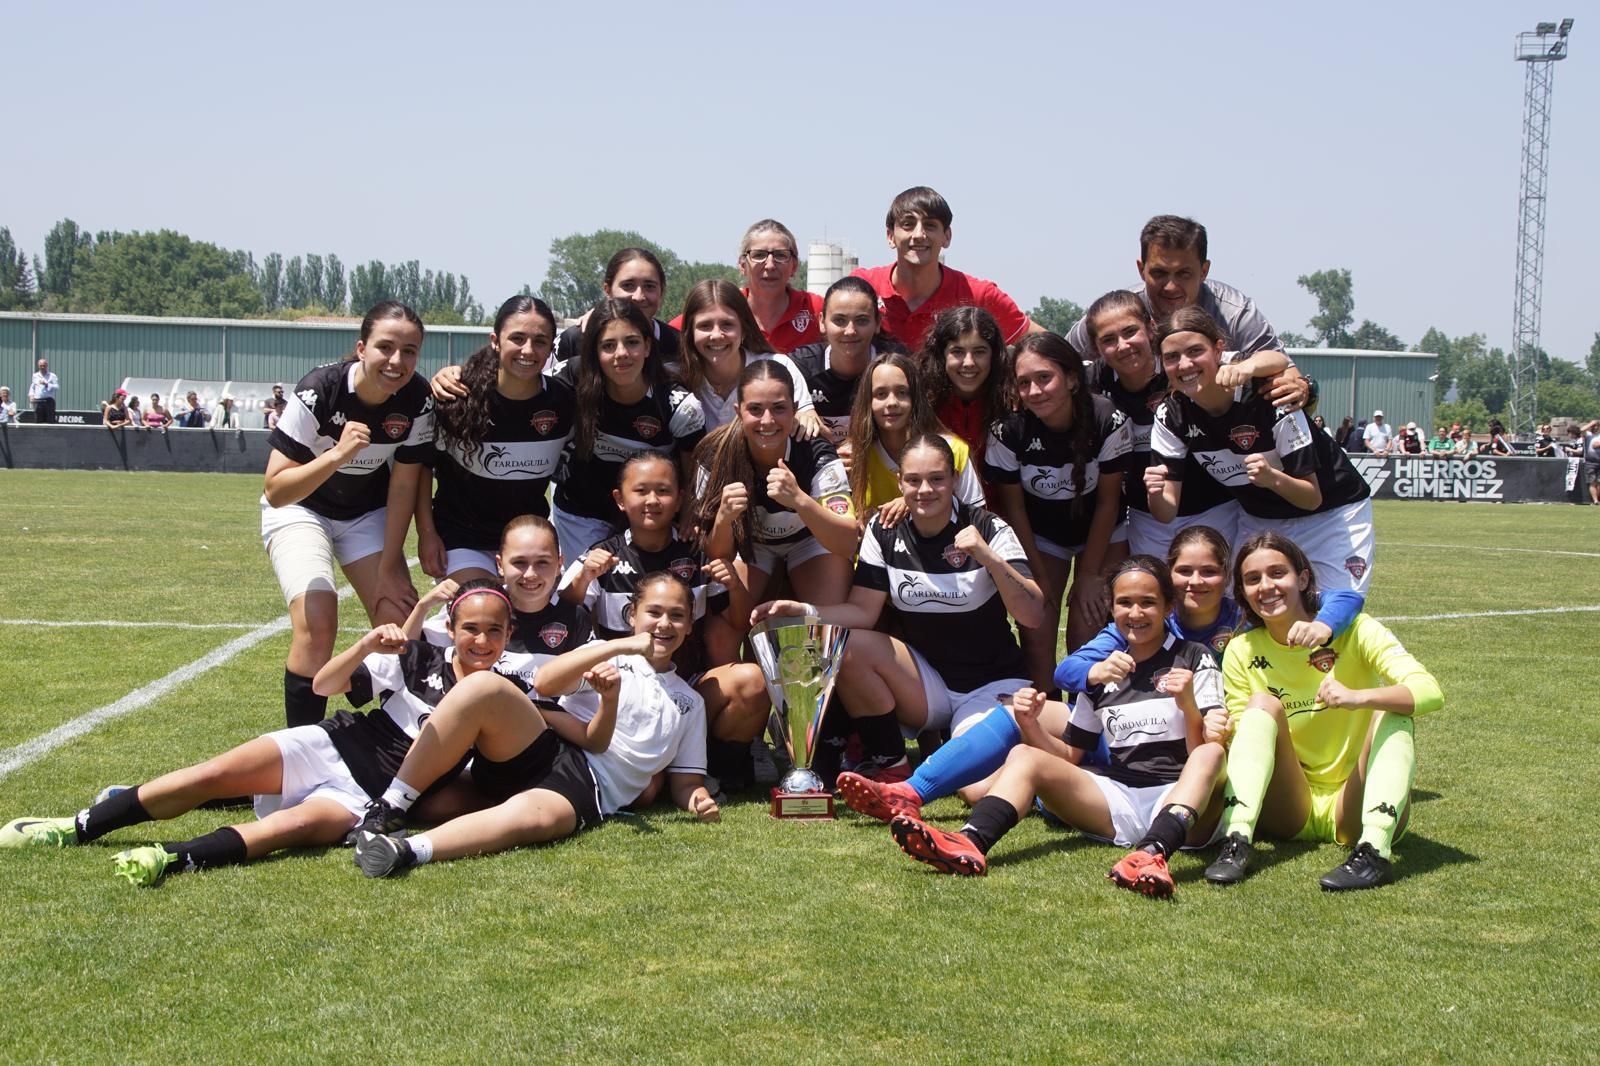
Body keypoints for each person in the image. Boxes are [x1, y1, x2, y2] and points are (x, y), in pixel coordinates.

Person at [0, 580, 514, 886]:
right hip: (331, 745)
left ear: (509, 636)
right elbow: (325, 683)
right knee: (213, 773)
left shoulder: (506, 695)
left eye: (495, 631)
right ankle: (75, 827)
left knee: (283, 833)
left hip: (369, 797)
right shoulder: (418, 657)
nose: (482, 640)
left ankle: (169, 858)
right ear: (451, 628)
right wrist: (365, 646)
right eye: (471, 628)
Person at [838, 526, 1241, 826]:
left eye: (1208, 572)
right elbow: (1066, 671)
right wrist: (1095, 671)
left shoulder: (1240, 622)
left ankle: (1055, 789)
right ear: (1170, 577)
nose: (1195, 582)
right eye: (1185, 571)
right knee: (1009, 728)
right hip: (1117, 730)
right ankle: (910, 792)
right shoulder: (1136, 620)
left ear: (1226, 575)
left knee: (979, 790)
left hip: (1194, 744)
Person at [886, 556, 1228, 897]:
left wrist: (1187, 704)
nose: (1135, 613)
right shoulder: (1103, 672)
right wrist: (1030, 725)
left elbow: (1206, 752)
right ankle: (968, 842)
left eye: (1148, 603)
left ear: (1169, 607)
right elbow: (1069, 755)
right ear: (1111, 607)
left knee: (1212, 752)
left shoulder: (1195, 657)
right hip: (1120, 799)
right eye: (1125, 603)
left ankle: (1152, 854)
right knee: (1023, 753)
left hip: (1183, 803)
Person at [350, 572, 721, 877]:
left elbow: (686, 782)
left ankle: (403, 851)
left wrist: (697, 800)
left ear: (690, 624)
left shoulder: (690, 703)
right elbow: (546, 682)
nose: (663, 624)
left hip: (587, 791)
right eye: (653, 612)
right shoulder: (606, 654)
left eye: (676, 615)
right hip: (549, 749)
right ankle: (387, 809)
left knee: (531, 819)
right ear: (632, 617)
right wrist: (619, 648)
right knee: (483, 686)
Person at [753, 433, 1043, 781]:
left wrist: (989, 558)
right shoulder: (885, 530)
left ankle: (1029, 767)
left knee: (975, 788)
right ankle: (892, 769)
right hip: (927, 685)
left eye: (937, 479)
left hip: (988, 685)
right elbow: (862, 612)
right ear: (899, 481)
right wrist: (805, 611)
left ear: (953, 479)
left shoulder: (987, 527)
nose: (925, 490)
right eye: (914, 480)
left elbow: (1032, 614)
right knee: (850, 645)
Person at [1204, 532, 1444, 891]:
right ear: (1243, 591)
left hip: (1355, 806)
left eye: (1277, 573)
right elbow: (1241, 731)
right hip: (1289, 804)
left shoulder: (1358, 630)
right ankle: (1237, 840)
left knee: (1390, 711)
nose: (1266, 587)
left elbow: (1430, 691)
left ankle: (1374, 852)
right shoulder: (1241, 649)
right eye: (1253, 579)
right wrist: (1218, 728)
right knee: (1261, 705)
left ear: (1302, 579)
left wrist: (1359, 697)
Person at [1147, 306, 1372, 647]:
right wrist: (1153, 492)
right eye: (1172, 357)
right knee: (1249, 612)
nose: (1185, 365)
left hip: (1331, 513)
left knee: (1335, 609)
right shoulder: (1171, 413)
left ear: (1219, 349)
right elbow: (1166, 511)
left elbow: (1311, 496)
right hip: (1261, 517)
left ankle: (1343, 694)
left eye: (1195, 352)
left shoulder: (1269, 395)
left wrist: (1272, 478)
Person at [261, 300, 434, 728]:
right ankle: (300, 750)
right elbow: (277, 489)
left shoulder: (417, 399)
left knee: (399, 617)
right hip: (303, 510)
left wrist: (393, 561)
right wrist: (337, 454)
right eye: (385, 347)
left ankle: (396, 740)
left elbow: (404, 484)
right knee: (318, 622)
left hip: (364, 513)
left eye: (409, 351)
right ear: (361, 348)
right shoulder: (320, 389)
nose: (397, 361)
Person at [560, 453, 769, 789]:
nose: (652, 501)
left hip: (686, 687)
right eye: (641, 491)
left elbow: (740, 621)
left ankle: (718, 771)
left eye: (663, 491)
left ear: (681, 499)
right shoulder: (600, 558)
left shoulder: (699, 554)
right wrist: (583, 579)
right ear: (619, 499)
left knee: (752, 681)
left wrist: (734, 584)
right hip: (623, 695)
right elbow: (561, 621)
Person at [984, 330, 1133, 675]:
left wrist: (1089, 576)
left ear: (1071, 378)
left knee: (1086, 625)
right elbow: (1014, 509)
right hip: (1043, 534)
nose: (1034, 391)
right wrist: (1038, 575)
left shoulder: (1106, 418)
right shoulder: (1008, 431)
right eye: (1024, 382)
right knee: (1037, 624)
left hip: (1103, 527)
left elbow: (1109, 504)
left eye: (1044, 378)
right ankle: (1045, 712)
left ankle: (1084, 715)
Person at [417, 295, 575, 583]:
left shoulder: (563, 402)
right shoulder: (458, 398)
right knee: (485, 609)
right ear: (495, 341)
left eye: (540, 341)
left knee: (530, 623)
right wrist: (427, 534)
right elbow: (422, 468)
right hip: (463, 538)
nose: (528, 350)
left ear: (551, 348)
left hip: (526, 542)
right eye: (517, 338)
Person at [1080, 290, 1245, 557]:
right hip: (1146, 518)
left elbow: (1253, 364)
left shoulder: (1181, 364)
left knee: (1214, 594)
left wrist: (1299, 382)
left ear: (1151, 328)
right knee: (1154, 596)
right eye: (1109, 339)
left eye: (1130, 331)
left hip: (1216, 509)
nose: (1123, 345)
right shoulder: (1089, 383)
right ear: (1096, 348)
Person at [546, 299, 706, 561]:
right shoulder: (570, 379)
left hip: (651, 516)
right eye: (608, 345)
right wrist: (458, 374)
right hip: (581, 513)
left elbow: (696, 467)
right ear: (594, 351)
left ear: (647, 346)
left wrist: (690, 509)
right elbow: (521, 390)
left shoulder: (677, 405)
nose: (621, 353)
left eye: (631, 342)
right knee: (586, 592)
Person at [690, 359, 856, 610]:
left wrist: (800, 500)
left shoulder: (817, 453)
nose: (767, 421)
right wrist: (723, 518)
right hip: (752, 546)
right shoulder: (715, 457)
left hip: (809, 541)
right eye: (755, 409)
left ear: (795, 409)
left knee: (828, 620)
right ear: (738, 411)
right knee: (722, 634)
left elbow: (847, 542)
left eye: (779, 408)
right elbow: (715, 553)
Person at [1065, 215, 1288, 365]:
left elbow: (1285, 374)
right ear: (1141, 270)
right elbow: (1058, 366)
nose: (1171, 287)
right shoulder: (1116, 316)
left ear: (1204, 270)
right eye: (1159, 274)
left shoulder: (1236, 315)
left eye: (1184, 274)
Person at [852, 186, 1038, 350]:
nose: (919, 235)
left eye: (930, 225)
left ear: (947, 237)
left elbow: (1043, 343)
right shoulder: (862, 288)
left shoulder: (978, 295)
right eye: (908, 225)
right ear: (890, 236)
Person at [421, 515, 593, 689]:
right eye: (519, 562)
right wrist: (423, 606)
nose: (530, 574)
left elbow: (587, 690)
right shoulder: (476, 604)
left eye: (542, 562)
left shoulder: (574, 618)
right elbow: (410, 657)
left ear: (559, 564)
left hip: (544, 716)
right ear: (500, 565)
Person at [840, 350, 985, 519]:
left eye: (902, 392)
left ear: (916, 398)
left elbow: (979, 521)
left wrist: (912, 502)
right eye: (881, 394)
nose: (892, 402)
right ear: (868, 402)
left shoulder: (952, 450)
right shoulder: (853, 456)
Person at [674, 278, 821, 435]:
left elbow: (809, 425)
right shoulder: (676, 378)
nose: (716, 335)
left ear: (744, 329)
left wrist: (807, 419)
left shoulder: (779, 367)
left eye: (727, 324)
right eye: (705, 326)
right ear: (690, 333)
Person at [789, 275, 904, 445]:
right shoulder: (799, 367)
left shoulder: (899, 366)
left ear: (878, 323)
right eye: (840, 320)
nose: (850, 331)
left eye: (862, 321)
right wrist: (800, 409)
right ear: (822, 322)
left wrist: (866, 453)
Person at [917, 305, 1014, 475]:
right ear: (941, 355)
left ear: (994, 355)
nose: (968, 362)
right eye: (957, 351)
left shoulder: (1013, 402)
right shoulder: (919, 404)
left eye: (979, 352)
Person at [553, 247, 680, 368]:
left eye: (649, 286)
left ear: (661, 291)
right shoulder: (575, 340)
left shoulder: (680, 344)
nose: (639, 296)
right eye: (628, 285)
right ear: (607, 290)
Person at [28, 358, 59, 424]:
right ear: (38, 366)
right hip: (38, 401)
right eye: (41, 365)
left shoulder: (52, 376)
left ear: (46, 365)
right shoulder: (35, 375)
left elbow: (57, 387)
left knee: (50, 420)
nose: (42, 367)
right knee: (38, 420)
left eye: (44, 365)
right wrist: (31, 395)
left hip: (49, 401)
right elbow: (33, 387)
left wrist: (47, 384)